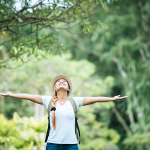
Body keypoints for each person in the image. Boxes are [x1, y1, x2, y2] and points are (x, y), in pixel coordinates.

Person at [0, 75, 127, 150]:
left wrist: (112, 98)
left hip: (71, 145)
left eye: (64, 82)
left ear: (68, 88)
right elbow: (28, 96)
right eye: (58, 82)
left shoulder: (75, 102)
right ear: (55, 88)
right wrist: (12, 94)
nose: (61, 82)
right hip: (52, 145)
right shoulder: (48, 100)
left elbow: (96, 99)